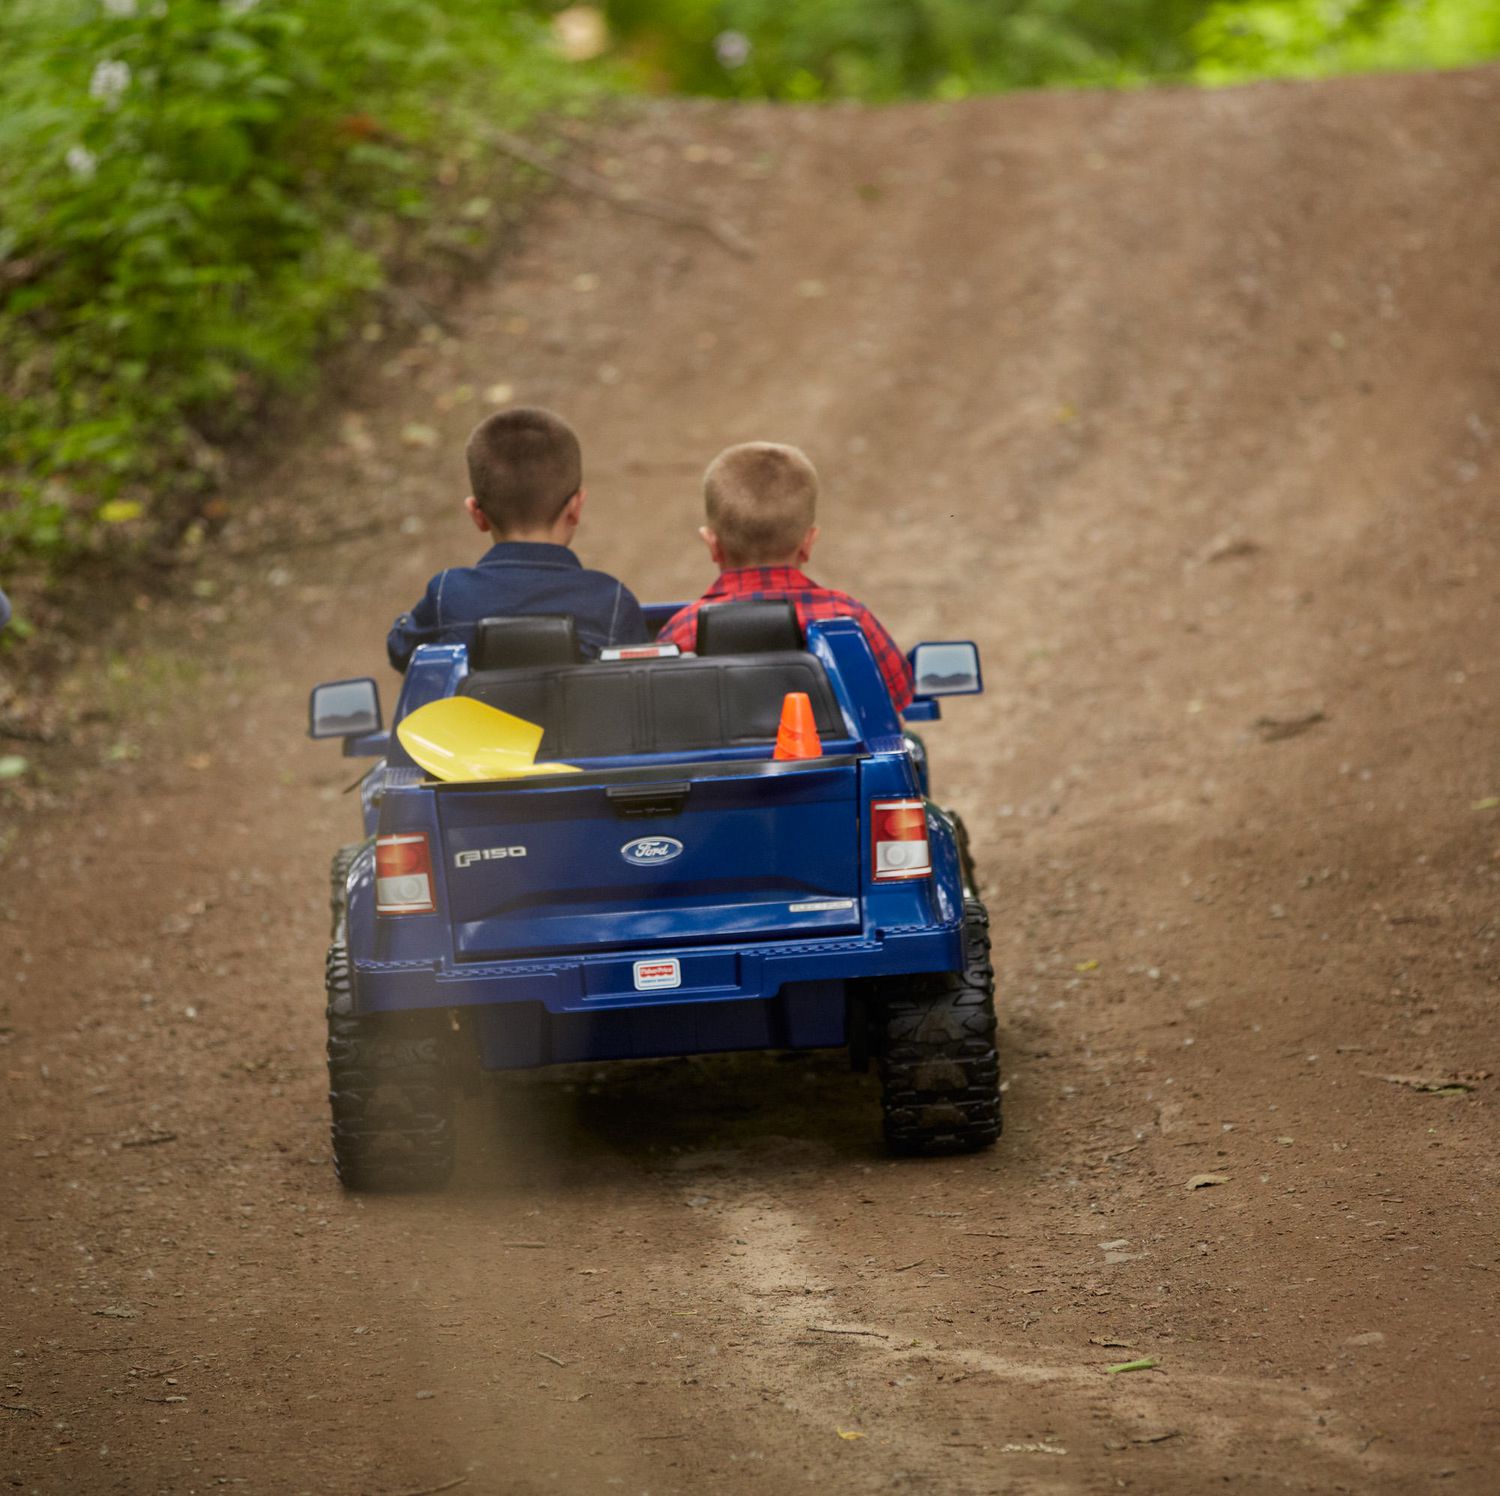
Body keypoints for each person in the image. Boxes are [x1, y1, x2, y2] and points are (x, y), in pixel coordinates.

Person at [656, 442, 914, 710]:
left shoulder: (685, 629)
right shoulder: (845, 617)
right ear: (808, 543)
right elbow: (899, 694)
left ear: (712, 545)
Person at [387, 407, 647, 670]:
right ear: (575, 508)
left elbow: (400, 649)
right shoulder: (611, 602)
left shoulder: (448, 593)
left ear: (477, 514)